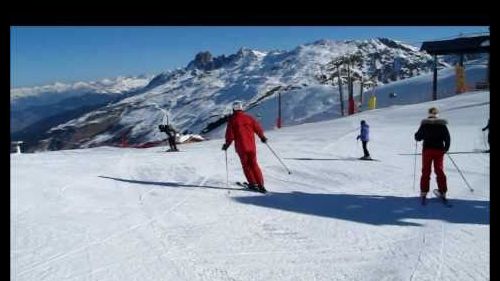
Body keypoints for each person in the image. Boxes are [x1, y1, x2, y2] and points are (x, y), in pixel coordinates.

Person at [222, 101, 268, 193]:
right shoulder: (249, 118)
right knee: (254, 164)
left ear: (233, 109)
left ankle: (253, 184)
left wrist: (227, 144)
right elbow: (257, 128)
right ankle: (261, 185)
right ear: (242, 108)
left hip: (241, 148)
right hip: (251, 147)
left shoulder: (232, 120)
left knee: (246, 165)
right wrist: (262, 137)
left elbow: (230, 135)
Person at [414, 107, 450, 204]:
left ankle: (424, 191)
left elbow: (418, 137)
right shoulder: (442, 125)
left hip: (428, 150)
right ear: (437, 114)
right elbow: (447, 138)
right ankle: (442, 191)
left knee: (426, 171)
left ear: (429, 114)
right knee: (439, 170)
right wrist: (446, 149)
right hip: (439, 151)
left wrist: (416, 136)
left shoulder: (425, 124)